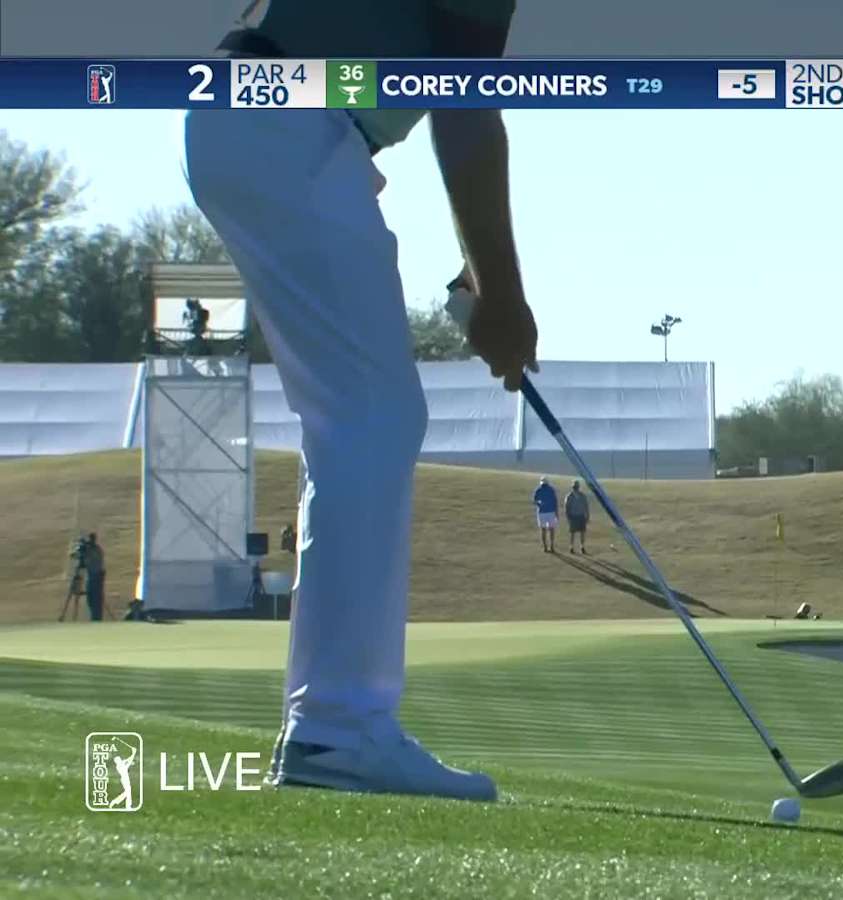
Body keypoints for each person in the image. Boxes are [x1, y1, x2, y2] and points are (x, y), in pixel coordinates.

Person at [187, 0, 536, 801]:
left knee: (363, 414)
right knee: (371, 416)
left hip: (267, 117)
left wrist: (481, 276)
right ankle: (337, 731)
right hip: (288, 124)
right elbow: (465, 106)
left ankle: (332, 728)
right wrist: (506, 298)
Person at [82, 533, 107, 622]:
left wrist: (86, 553)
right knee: (91, 599)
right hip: (93, 576)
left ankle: (96, 618)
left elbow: (91, 562)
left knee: (95, 599)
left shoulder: (96, 550)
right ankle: (95, 617)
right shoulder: (92, 549)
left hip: (96, 576)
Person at [532, 477, 560, 553]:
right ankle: (550, 546)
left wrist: (539, 504)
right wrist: (556, 513)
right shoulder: (550, 490)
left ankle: (547, 546)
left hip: (543, 512)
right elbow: (555, 502)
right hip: (548, 512)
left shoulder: (540, 490)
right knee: (550, 530)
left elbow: (534, 501)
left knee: (545, 530)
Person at [564, 480, 590, 554]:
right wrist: (568, 517)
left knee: (582, 532)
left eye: (576, 487)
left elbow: (586, 506)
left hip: (581, 516)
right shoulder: (569, 496)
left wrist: (587, 515)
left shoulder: (582, 496)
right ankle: (571, 547)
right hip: (573, 516)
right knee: (572, 533)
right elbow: (566, 507)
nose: (575, 489)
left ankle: (582, 547)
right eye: (574, 487)